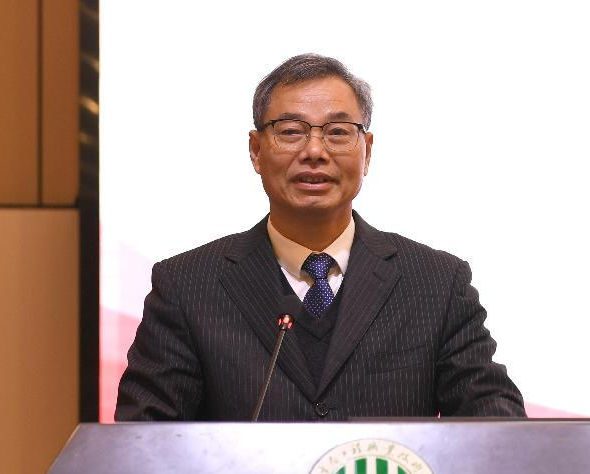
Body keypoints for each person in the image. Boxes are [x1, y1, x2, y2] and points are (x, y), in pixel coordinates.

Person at [115, 54, 525, 421]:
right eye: (291, 131)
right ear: (256, 150)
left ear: (367, 150)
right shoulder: (187, 285)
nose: (314, 151)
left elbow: (495, 425)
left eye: (338, 132)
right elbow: (143, 442)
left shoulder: (436, 282)